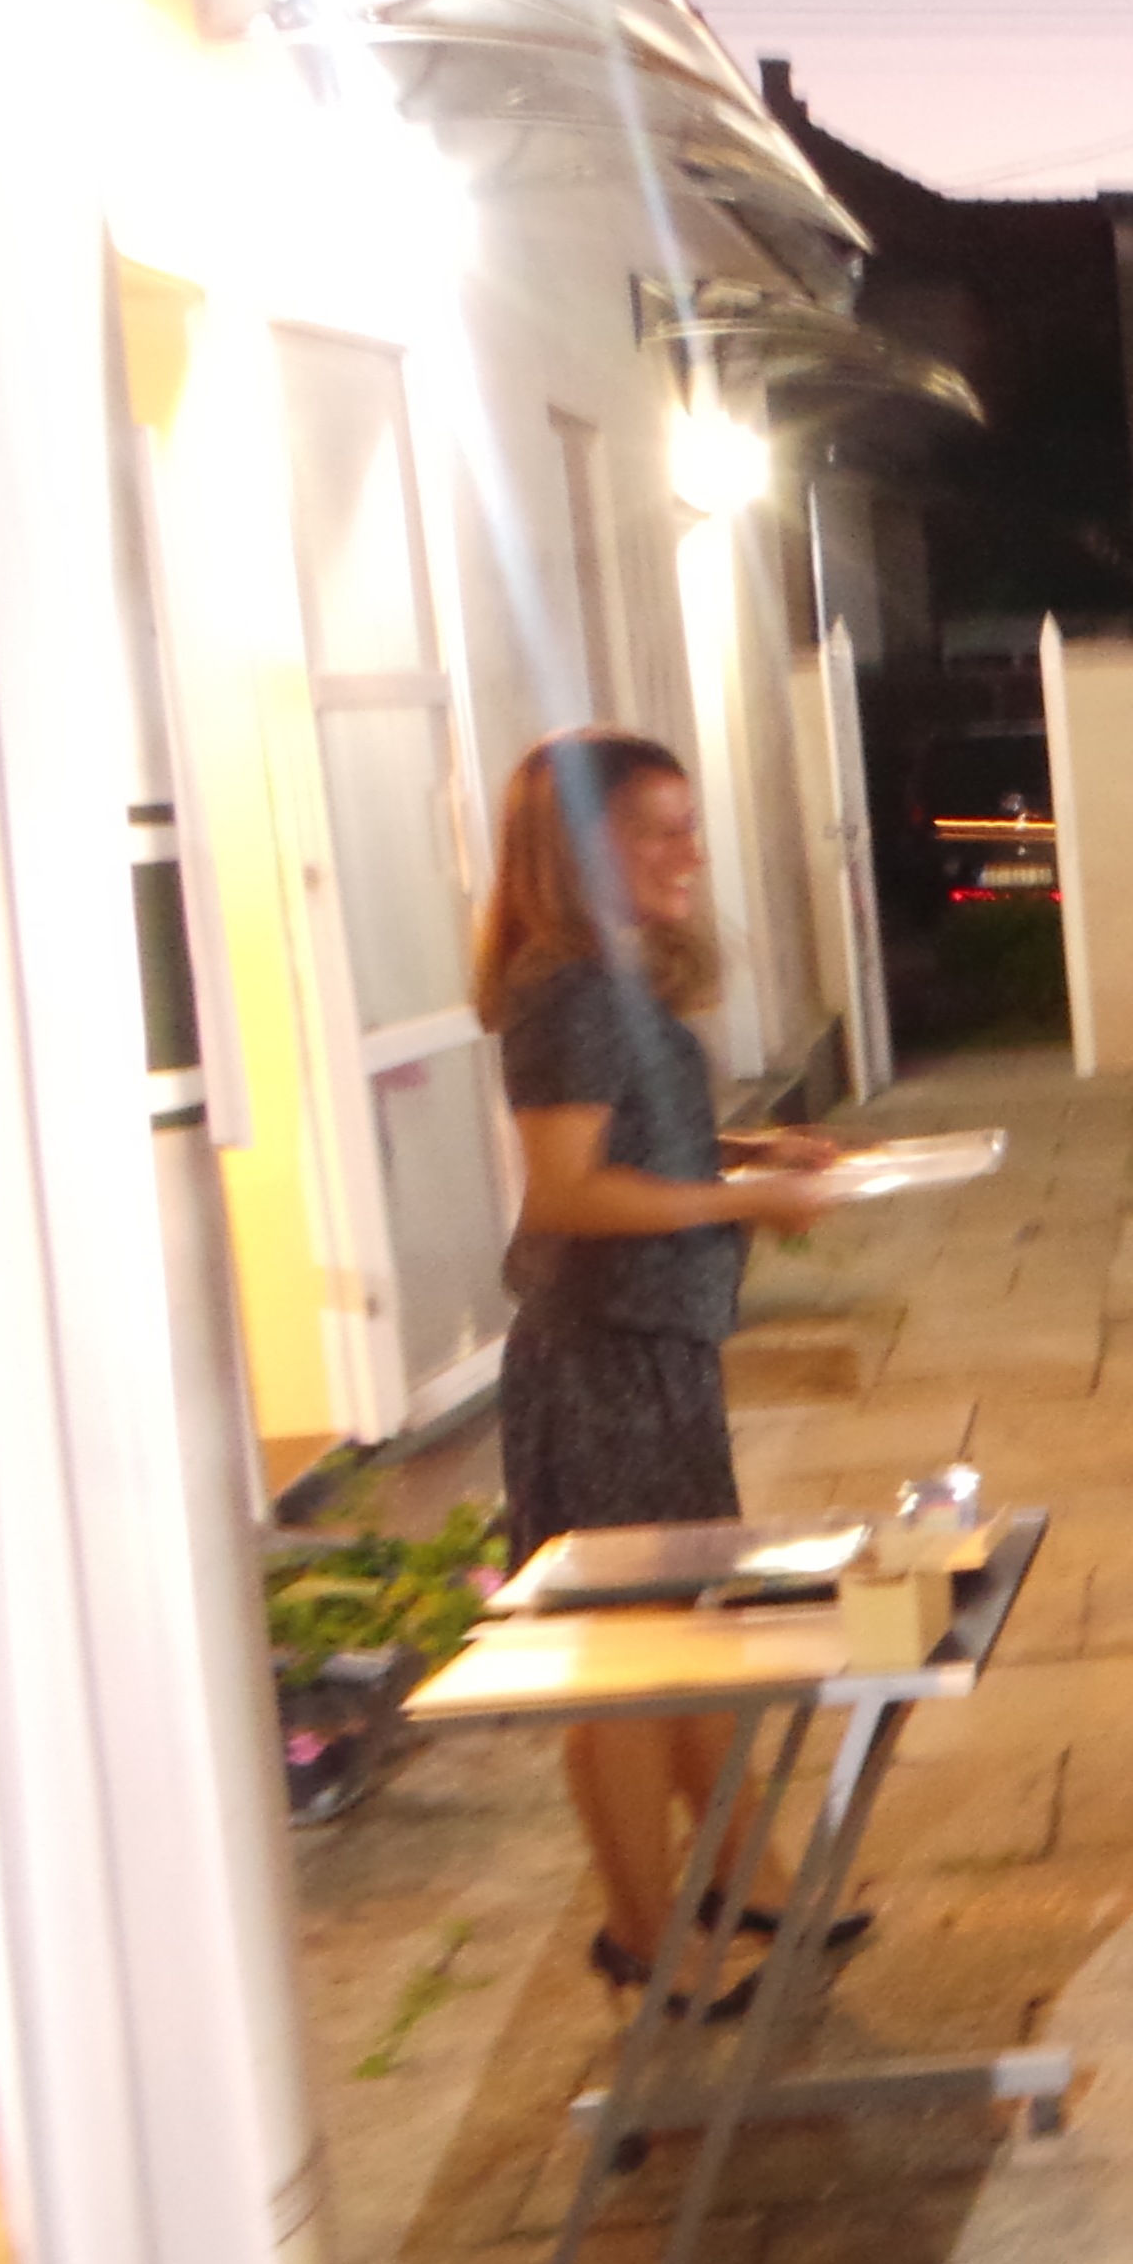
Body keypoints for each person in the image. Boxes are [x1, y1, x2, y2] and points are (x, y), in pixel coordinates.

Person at [482, 732, 846, 2008]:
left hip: (657, 1355)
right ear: (582, 850)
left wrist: (747, 1154)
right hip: (601, 1366)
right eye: (658, 830)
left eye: (691, 825)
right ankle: (645, 1940)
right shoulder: (570, 993)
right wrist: (739, 1203)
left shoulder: (606, 980)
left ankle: (747, 1878)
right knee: (626, 1673)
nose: (692, 853)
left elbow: (639, 1142)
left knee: (688, 1634)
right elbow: (567, 1191)